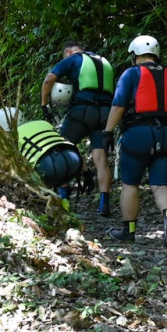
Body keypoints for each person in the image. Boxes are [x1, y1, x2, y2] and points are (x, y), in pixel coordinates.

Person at [102, 35, 167, 247]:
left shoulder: (131, 74)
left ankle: (128, 231)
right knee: (160, 184)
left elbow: (119, 105)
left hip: (139, 132)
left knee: (130, 183)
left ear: (134, 54)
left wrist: (108, 132)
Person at [42, 40, 117, 215]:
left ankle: (64, 199)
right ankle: (104, 203)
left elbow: (49, 80)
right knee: (100, 156)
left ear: (68, 51)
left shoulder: (73, 59)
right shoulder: (104, 61)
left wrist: (44, 105)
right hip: (105, 112)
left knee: (62, 149)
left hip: (82, 110)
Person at [0, 107, 81, 193]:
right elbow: (57, 143)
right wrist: (86, 172)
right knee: (59, 167)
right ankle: (64, 197)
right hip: (73, 158)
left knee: (50, 172)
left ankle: (57, 201)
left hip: (48, 166)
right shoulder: (42, 122)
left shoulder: (12, 139)